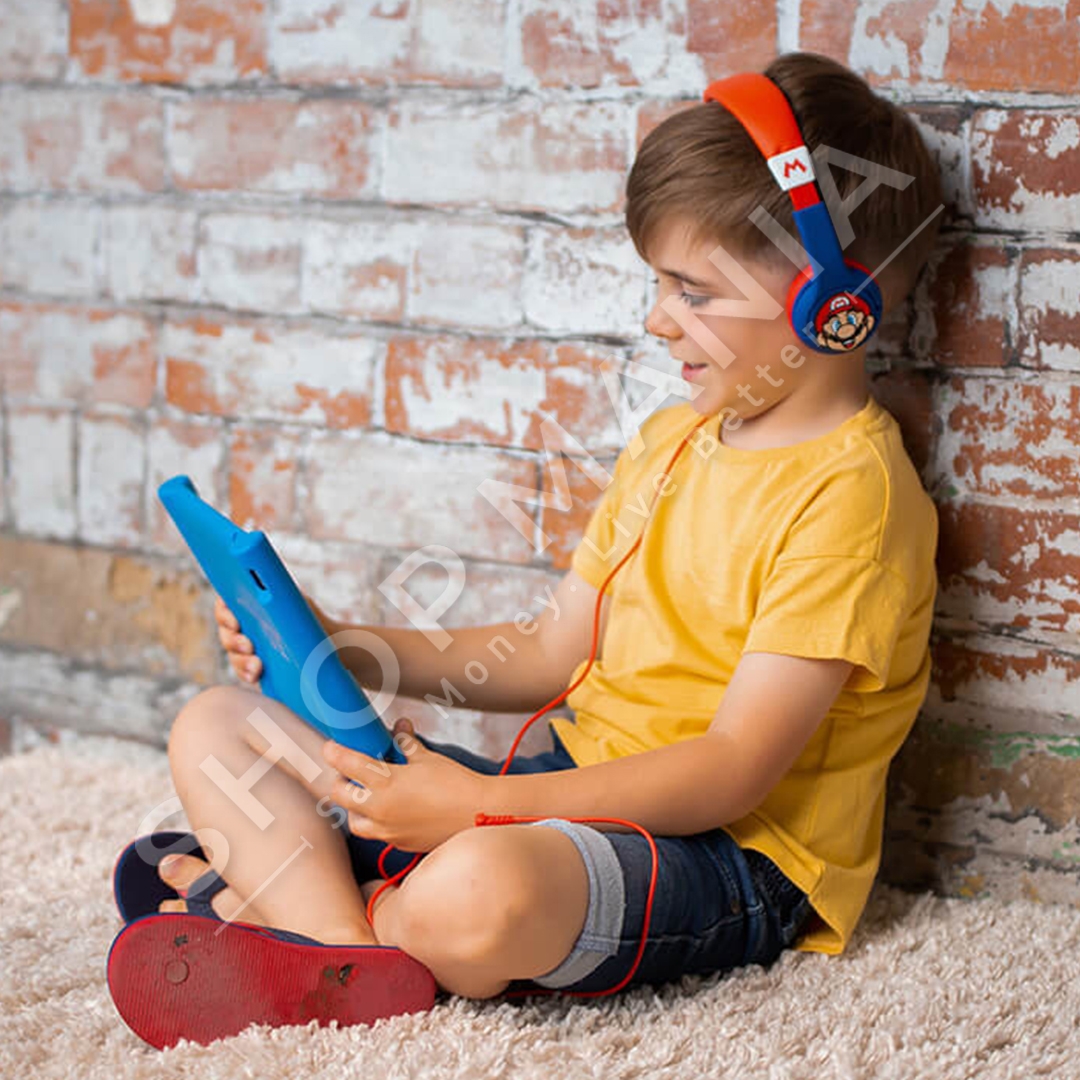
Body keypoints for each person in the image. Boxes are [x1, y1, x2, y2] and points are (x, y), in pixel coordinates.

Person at [113, 49, 943, 1033]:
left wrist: (470, 811)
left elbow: (732, 768)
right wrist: (346, 647)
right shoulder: (672, 440)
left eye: (693, 292)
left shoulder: (854, 500)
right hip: (556, 792)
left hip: (729, 854)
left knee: (480, 888)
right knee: (219, 725)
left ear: (833, 305)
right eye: (660, 284)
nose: (658, 320)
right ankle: (349, 946)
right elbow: (553, 651)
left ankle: (290, 906)